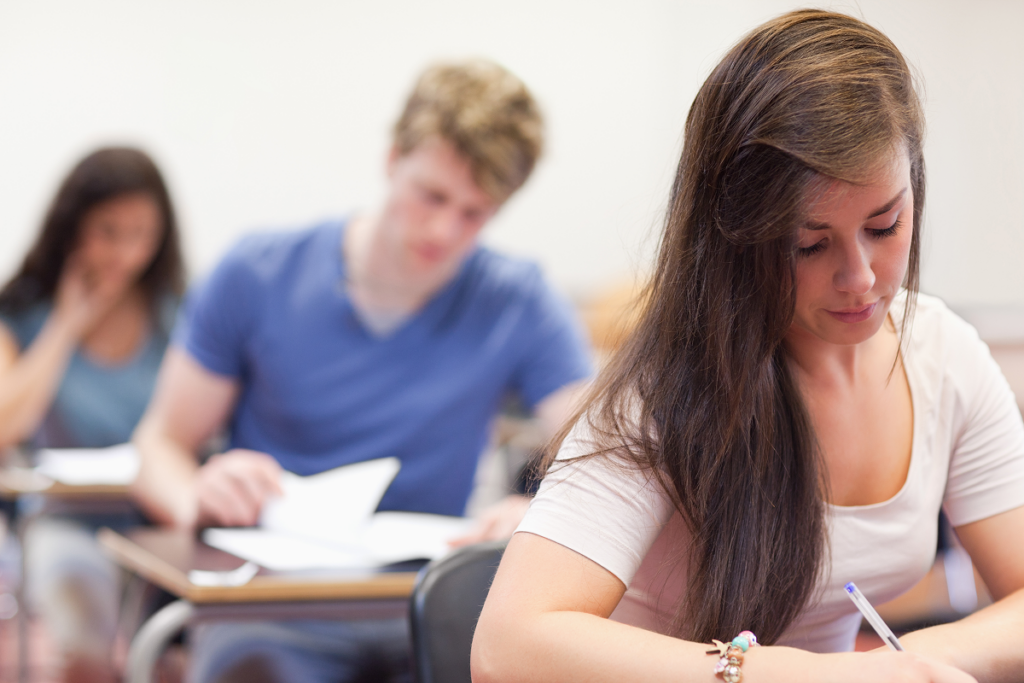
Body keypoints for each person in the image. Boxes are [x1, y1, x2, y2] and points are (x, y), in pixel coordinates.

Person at [472, 10, 1024, 683]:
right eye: (809, 245)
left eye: (885, 226)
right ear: (740, 234)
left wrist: (909, 666)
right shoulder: (664, 390)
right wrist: (811, 675)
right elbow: (506, 648)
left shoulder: (943, 355)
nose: (860, 278)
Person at [131, 58, 592, 683]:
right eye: (432, 196)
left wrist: (539, 517)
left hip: (427, 607)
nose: (444, 229)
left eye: (475, 213)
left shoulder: (517, 300)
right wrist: (197, 496)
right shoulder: (257, 274)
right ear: (392, 157)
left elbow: (606, 457)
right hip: (272, 606)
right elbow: (159, 444)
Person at [0, 146, 185, 683]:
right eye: (109, 232)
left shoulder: (174, 314)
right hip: (67, 520)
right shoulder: (23, 314)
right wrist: (66, 324)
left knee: (178, 659)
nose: (126, 253)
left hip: (159, 519)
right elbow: (7, 426)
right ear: (73, 227)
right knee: (83, 650)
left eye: (141, 234)